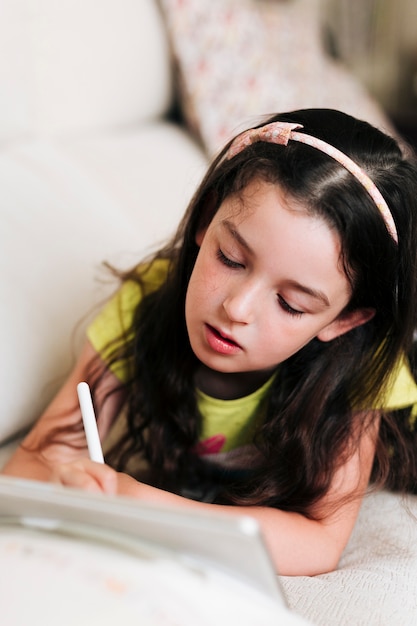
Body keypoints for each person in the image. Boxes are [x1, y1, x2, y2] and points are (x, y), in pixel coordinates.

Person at [3, 109, 417, 576]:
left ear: (343, 320)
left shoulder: (365, 363)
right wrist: (65, 479)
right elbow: (32, 462)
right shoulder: (144, 303)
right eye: (231, 258)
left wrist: (136, 501)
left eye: (291, 304)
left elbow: (319, 540)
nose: (237, 309)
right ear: (205, 220)